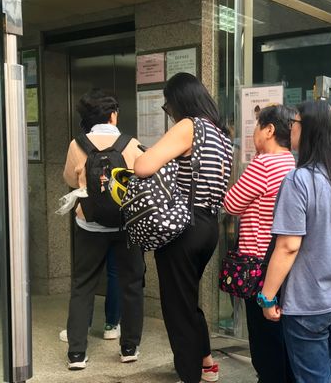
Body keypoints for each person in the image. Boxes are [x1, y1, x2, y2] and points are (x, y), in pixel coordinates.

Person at [133, 73, 233, 383]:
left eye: (168, 105)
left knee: (177, 306)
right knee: (187, 297)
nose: (169, 111)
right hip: (208, 226)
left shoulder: (189, 126)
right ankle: (205, 362)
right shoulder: (222, 135)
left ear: (179, 101)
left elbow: (143, 166)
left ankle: (188, 374)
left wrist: (144, 153)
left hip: (182, 228)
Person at [259, 101, 331, 383]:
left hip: (310, 303)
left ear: (309, 131)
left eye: (295, 123)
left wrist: (266, 297)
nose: (291, 128)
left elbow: (288, 246)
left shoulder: (299, 180)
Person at [62, 89, 145, 370]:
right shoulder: (130, 144)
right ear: (112, 115)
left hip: (89, 224)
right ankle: (129, 347)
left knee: (83, 285)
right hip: (126, 225)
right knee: (131, 284)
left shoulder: (77, 144)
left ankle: (76, 353)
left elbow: (70, 181)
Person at [223, 105, 297, 383]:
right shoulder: (293, 162)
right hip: (285, 262)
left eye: (256, 126)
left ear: (269, 130)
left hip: (258, 264)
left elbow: (231, 203)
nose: (253, 132)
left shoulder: (263, 164)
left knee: (263, 333)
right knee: (282, 329)